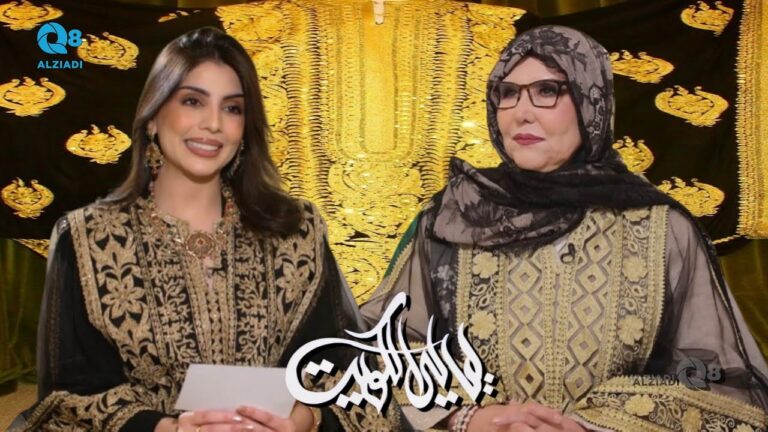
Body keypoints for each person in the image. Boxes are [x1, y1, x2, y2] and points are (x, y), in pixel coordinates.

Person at [362, 25, 768, 431]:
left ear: (591, 101)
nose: (521, 112)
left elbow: (721, 383)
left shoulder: (662, 228)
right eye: (507, 93)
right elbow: (378, 351)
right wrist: (465, 416)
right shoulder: (456, 218)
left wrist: (595, 425)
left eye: (547, 91)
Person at [18, 27, 406, 432]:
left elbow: (346, 373)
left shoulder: (295, 232)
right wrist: (166, 429)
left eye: (232, 108)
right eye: (192, 101)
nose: (214, 124)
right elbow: (70, 401)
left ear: (245, 128)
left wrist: (304, 420)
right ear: (153, 117)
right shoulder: (89, 239)